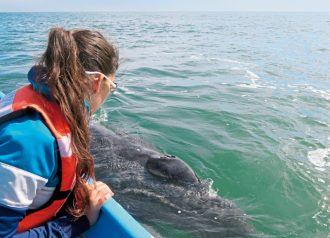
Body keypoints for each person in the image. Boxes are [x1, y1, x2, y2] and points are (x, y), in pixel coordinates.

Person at [0, 27, 119, 237]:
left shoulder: (37, 98)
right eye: (112, 86)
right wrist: (80, 222)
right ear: (97, 82)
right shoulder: (31, 141)